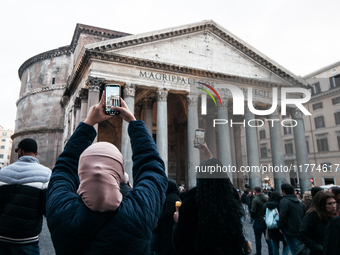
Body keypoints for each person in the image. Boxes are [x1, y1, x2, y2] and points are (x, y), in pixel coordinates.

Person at [46, 93, 168, 255]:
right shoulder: (140, 212)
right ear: (119, 174)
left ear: (81, 172)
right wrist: (133, 122)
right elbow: (152, 167)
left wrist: (88, 123)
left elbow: (64, 168)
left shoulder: (62, 212)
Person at [172, 142, 249, 255]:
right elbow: (227, 183)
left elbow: (180, 244)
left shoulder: (191, 203)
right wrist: (209, 156)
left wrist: (177, 223)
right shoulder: (230, 200)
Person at [0, 138, 51, 254]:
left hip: (2, 237)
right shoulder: (46, 174)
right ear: (36, 153)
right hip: (28, 239)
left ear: (20, 151)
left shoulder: (2, 172)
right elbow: (46, 208)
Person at [152, 179, 180, 255]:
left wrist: (158, 220)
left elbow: (167, 214)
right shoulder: (174, 197)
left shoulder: (170, 198)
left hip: (167, 231)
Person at [278, 183, 304, 255]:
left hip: (289, 229)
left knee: (295, 250)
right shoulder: (298, 200)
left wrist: (281, 226)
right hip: (298, 228)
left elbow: (283, 215)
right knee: (299, 249)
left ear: (283, 191)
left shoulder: (284, 201)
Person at [250, 186, 273, 255]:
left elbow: (253, 211)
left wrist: (253, 217)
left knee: (258, 238)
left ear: (255, 191)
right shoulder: (265, 199)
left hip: (258, 220)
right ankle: (271, 253)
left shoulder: (255, 200)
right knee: (268, 238)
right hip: (265, 220)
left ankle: (258, 252)